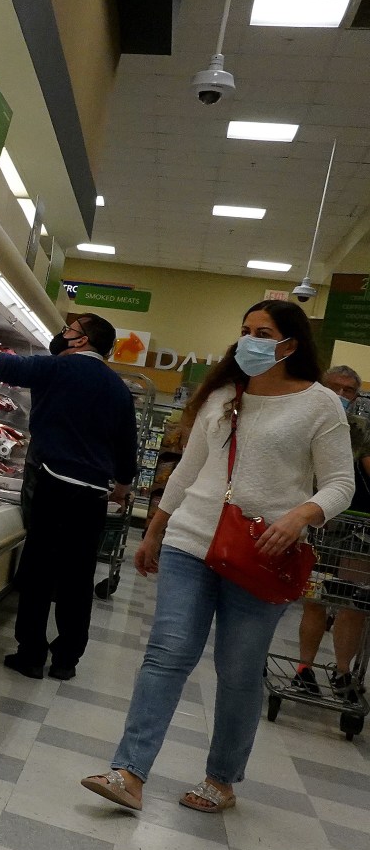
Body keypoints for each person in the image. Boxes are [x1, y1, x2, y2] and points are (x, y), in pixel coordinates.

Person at [81, 300, 353, 814]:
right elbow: (187, 470)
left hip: (262, 551)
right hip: (192, 540)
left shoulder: (320, 406)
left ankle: (221, 779)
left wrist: (299, 516)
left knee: (239, 669)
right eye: (245, 330)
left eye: (263, 332)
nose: (250, 340)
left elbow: (341, 483)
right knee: (167, 653)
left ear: (290, 344)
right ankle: (128, 772)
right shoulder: (225, 395)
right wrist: (155, 529)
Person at [0, 313, 138, 681]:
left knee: (39, 570)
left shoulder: (58, 369)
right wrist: (122, 487)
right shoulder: (118, 388)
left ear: (81, 341)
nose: (62, 335)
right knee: (78, 576)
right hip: (94, 493)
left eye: (69, 331)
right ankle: (66, 659)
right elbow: (128, 447)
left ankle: (31, 654)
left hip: (54, 481)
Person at [294, 365, 368, 696]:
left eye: (348, 390)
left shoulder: (363, 432)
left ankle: (341, 672)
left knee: (353, 603)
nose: (341, 395)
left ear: (357, 395)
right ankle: (304, 668)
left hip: (357, 529)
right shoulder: (305, 419)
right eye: (334, 387)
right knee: (315, 598)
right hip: (318, 523)